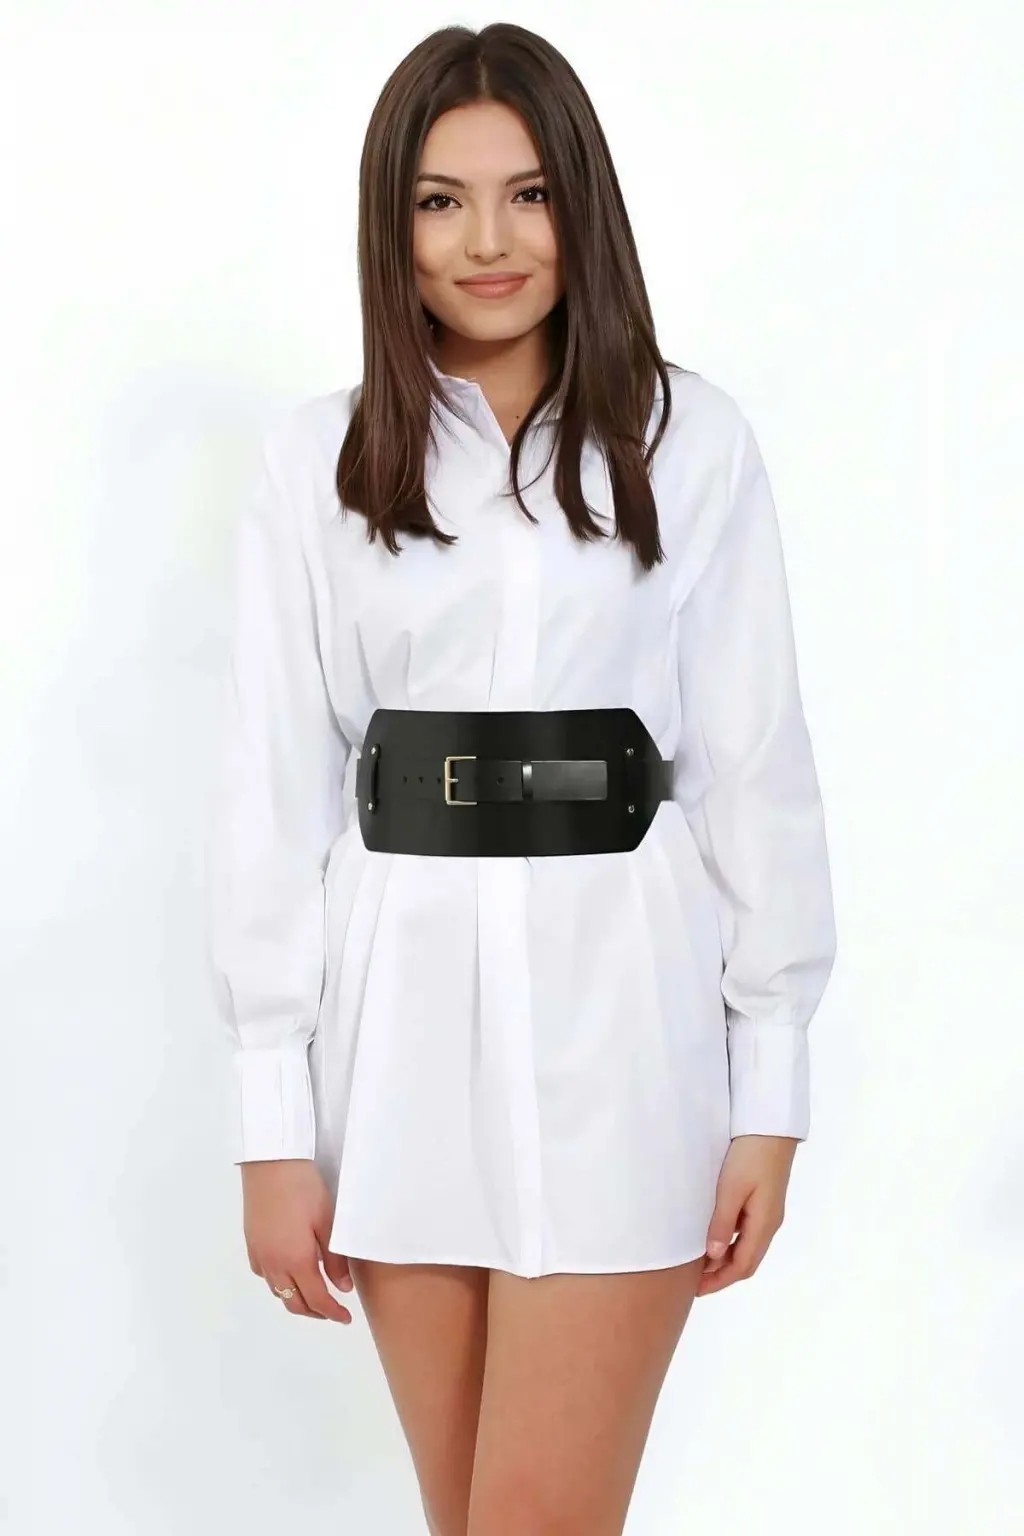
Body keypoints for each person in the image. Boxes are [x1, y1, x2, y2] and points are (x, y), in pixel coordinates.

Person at [205, 21, 837, 1536]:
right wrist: (271, 1124)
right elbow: (273, 790)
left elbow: (753, 768)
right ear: (393, 223)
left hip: (623, 1030)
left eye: (528, 193)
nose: (487, 241)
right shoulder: (319, 462)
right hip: (399, 1043)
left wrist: (772, 1086)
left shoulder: (689, 442)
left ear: (582, 205)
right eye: (441, 200)